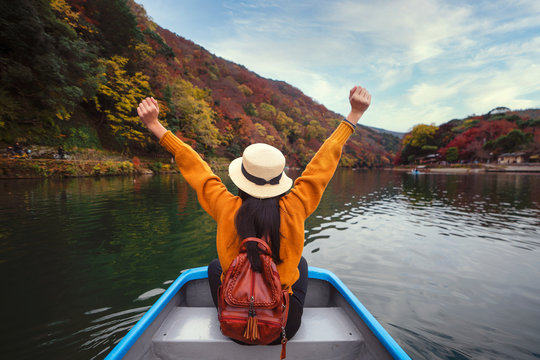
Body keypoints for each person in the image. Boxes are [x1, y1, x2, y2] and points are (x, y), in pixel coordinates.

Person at [137, 85, 371, 343]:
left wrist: (155, 124)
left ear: (241, 179)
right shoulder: (296, 206)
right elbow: (324, 162)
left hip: (234, 325)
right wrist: (354, 114)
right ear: (279, 179)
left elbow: (194, 165)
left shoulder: (225, 205)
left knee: (215, 267)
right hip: (282, 327)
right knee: (301, 264)